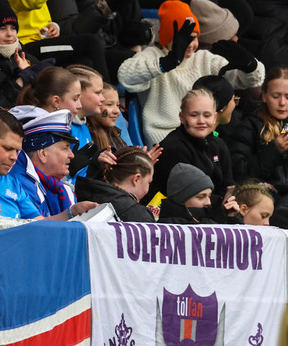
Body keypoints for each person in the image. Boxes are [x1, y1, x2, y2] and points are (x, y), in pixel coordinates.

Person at [117, 0, 265, 145]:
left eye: (194, 38)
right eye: (183, 39)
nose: (189, 44)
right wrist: (166, 63)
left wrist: (250, 65)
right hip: (164, 141)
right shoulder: (153, 56)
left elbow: (250, 80)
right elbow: (125, 76)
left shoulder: (203, 58)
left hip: (202, 135)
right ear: (168, 37)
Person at [150, 88, 234, 203]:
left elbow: (228, 186)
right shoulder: (173, 148)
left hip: (210, 206)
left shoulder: (219, 145)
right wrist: (219, 205)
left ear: (214, 118)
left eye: (207, 115)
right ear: (182, 117)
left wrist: (228, 203)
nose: (201, 121)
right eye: (194, 115)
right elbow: (186, 197)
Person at [226, 67, 288, 223]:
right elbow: (240, 172)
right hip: (265, 199)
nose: (282, 103)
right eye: (276, 96)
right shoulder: (248, 125)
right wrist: (275, 150)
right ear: (264, 96)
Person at [10, 109, 83, 217]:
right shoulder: (20, 184)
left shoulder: (62, 189)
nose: (72, 155)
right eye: (65, 148)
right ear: (42, 154)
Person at [75, 146, 156, 222]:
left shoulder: (88, 190)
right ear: (136, 179)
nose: (147, 189)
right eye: (148, 182)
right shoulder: (140, 215)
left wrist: (95, 167)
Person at [158, 162, 239, 224]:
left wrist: (231, 218)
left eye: (209, 196)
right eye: (201, 197)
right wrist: (218, 219)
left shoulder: (205, 217)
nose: (208, 202)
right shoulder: (168, 224)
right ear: (181, 200)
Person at [87, 82, 126, 151]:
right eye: (109, 105)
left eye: (117, 105)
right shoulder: (87, 136)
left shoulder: (115, 133)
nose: (117, 111)